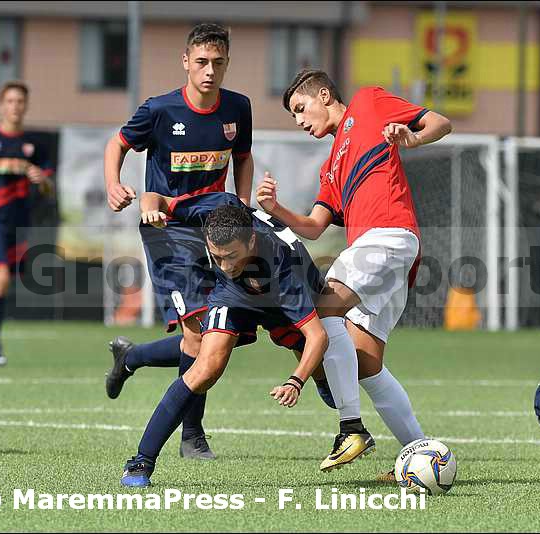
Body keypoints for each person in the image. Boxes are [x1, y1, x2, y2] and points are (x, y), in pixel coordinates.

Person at [256, 69, 452, 471]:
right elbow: (314, 226)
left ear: (324, 96)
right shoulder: (330, 167)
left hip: (388, 236)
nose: (299, 120)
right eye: (293, 115)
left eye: (300, 108)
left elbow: (440, 122)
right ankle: (424, 457)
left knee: (324, 307)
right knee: (366, 363)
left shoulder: (368, 102)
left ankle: (351, 428)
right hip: (381, 252)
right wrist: (276, 209)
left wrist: (413, 139)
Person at [102, 23, 253, 460]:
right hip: (166, 229)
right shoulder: (160, 110)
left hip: (216, 230)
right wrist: (114, 184)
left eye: (218, 63)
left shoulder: (238, 108)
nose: (210, 71)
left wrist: (243, 207)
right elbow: (117, 144)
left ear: (227, 64)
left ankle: (131, 358)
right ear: (186, 61)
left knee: (223, 333)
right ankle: (192, 435)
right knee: (199, 331)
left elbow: (243, 158)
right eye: (201, 62)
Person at [120, 192, 329, 487]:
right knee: (205, 369)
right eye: (217, 257)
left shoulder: (283, 265)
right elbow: (155, 198)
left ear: (251, 241)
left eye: (232, 256)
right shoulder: (217, 211)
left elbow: (317, 336)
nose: (226, 266)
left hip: (280, 299)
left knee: (330, 388)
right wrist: (149, 211)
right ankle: (140, 462)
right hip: (231, 295)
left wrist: (296, 381)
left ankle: (351, 424)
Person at [0, 81, 54, 365]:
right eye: (10, 101)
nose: (15, 106)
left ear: (26, 105)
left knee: (3, 282)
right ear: (1, 105)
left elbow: (48, 189)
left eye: (20, 101)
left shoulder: (35, 146)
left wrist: (42, 180)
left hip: (17, 224)